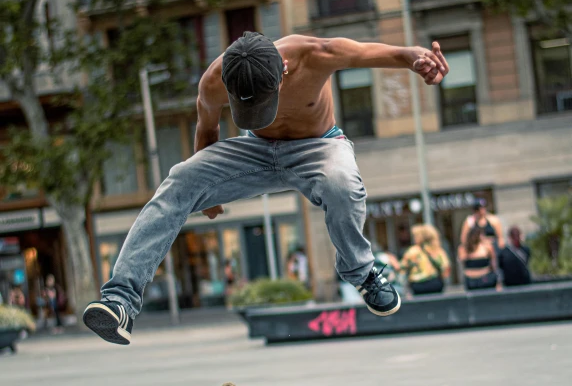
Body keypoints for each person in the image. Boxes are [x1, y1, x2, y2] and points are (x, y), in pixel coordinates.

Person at [82, 31, 449, 344]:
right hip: (255, 152)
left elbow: (390, 54)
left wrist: (420, 60)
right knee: (177, 182)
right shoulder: (214, 80)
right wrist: (205, 192)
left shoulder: (319, 54)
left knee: (342, 184)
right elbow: (207, 131)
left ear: (283, 70)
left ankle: (362, 273)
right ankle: (120, 301)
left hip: (318, 146)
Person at [400, 224, 450, 296]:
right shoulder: (437, 250)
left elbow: (402, 267)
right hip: (435, 283)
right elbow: (446, 267)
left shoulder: (413, 251)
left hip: (418, 285)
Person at [458, 225, 499, 291]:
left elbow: (493, 263)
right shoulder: (463, 249)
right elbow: (462, 262)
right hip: (471, 279)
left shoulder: (487, 247)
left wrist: (497, 279)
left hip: (486, 278)